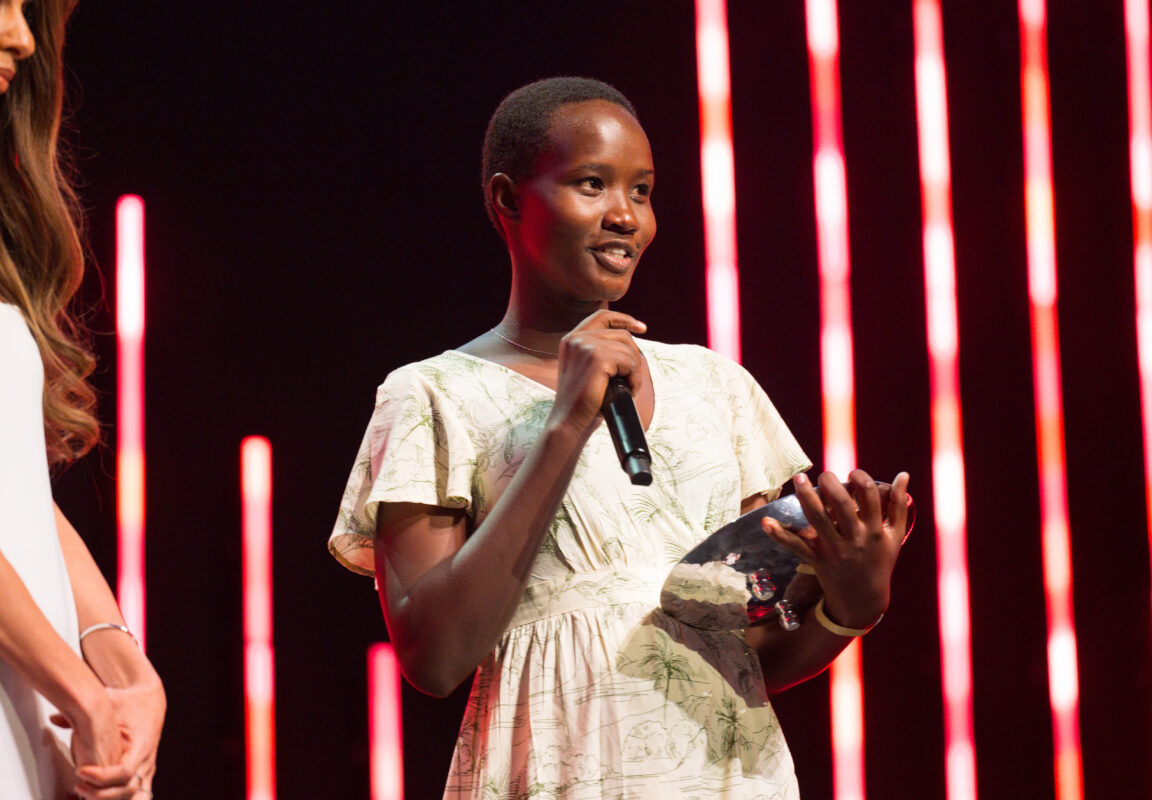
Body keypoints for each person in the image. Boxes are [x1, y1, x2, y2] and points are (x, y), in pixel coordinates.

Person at [330, 77, 910, 798]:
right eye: (592, 184)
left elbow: (748, 652)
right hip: (555, 772)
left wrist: (851, 605)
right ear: (509, 199)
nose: (625, 215)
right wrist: (565, 424)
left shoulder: (717, 387)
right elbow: (435, 657)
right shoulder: (431, 395)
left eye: (642, 191)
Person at [0, 1, 165, 798]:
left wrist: (119, 664)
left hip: (20, 690)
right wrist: (78, 689)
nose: (21, 37)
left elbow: (6, 488)